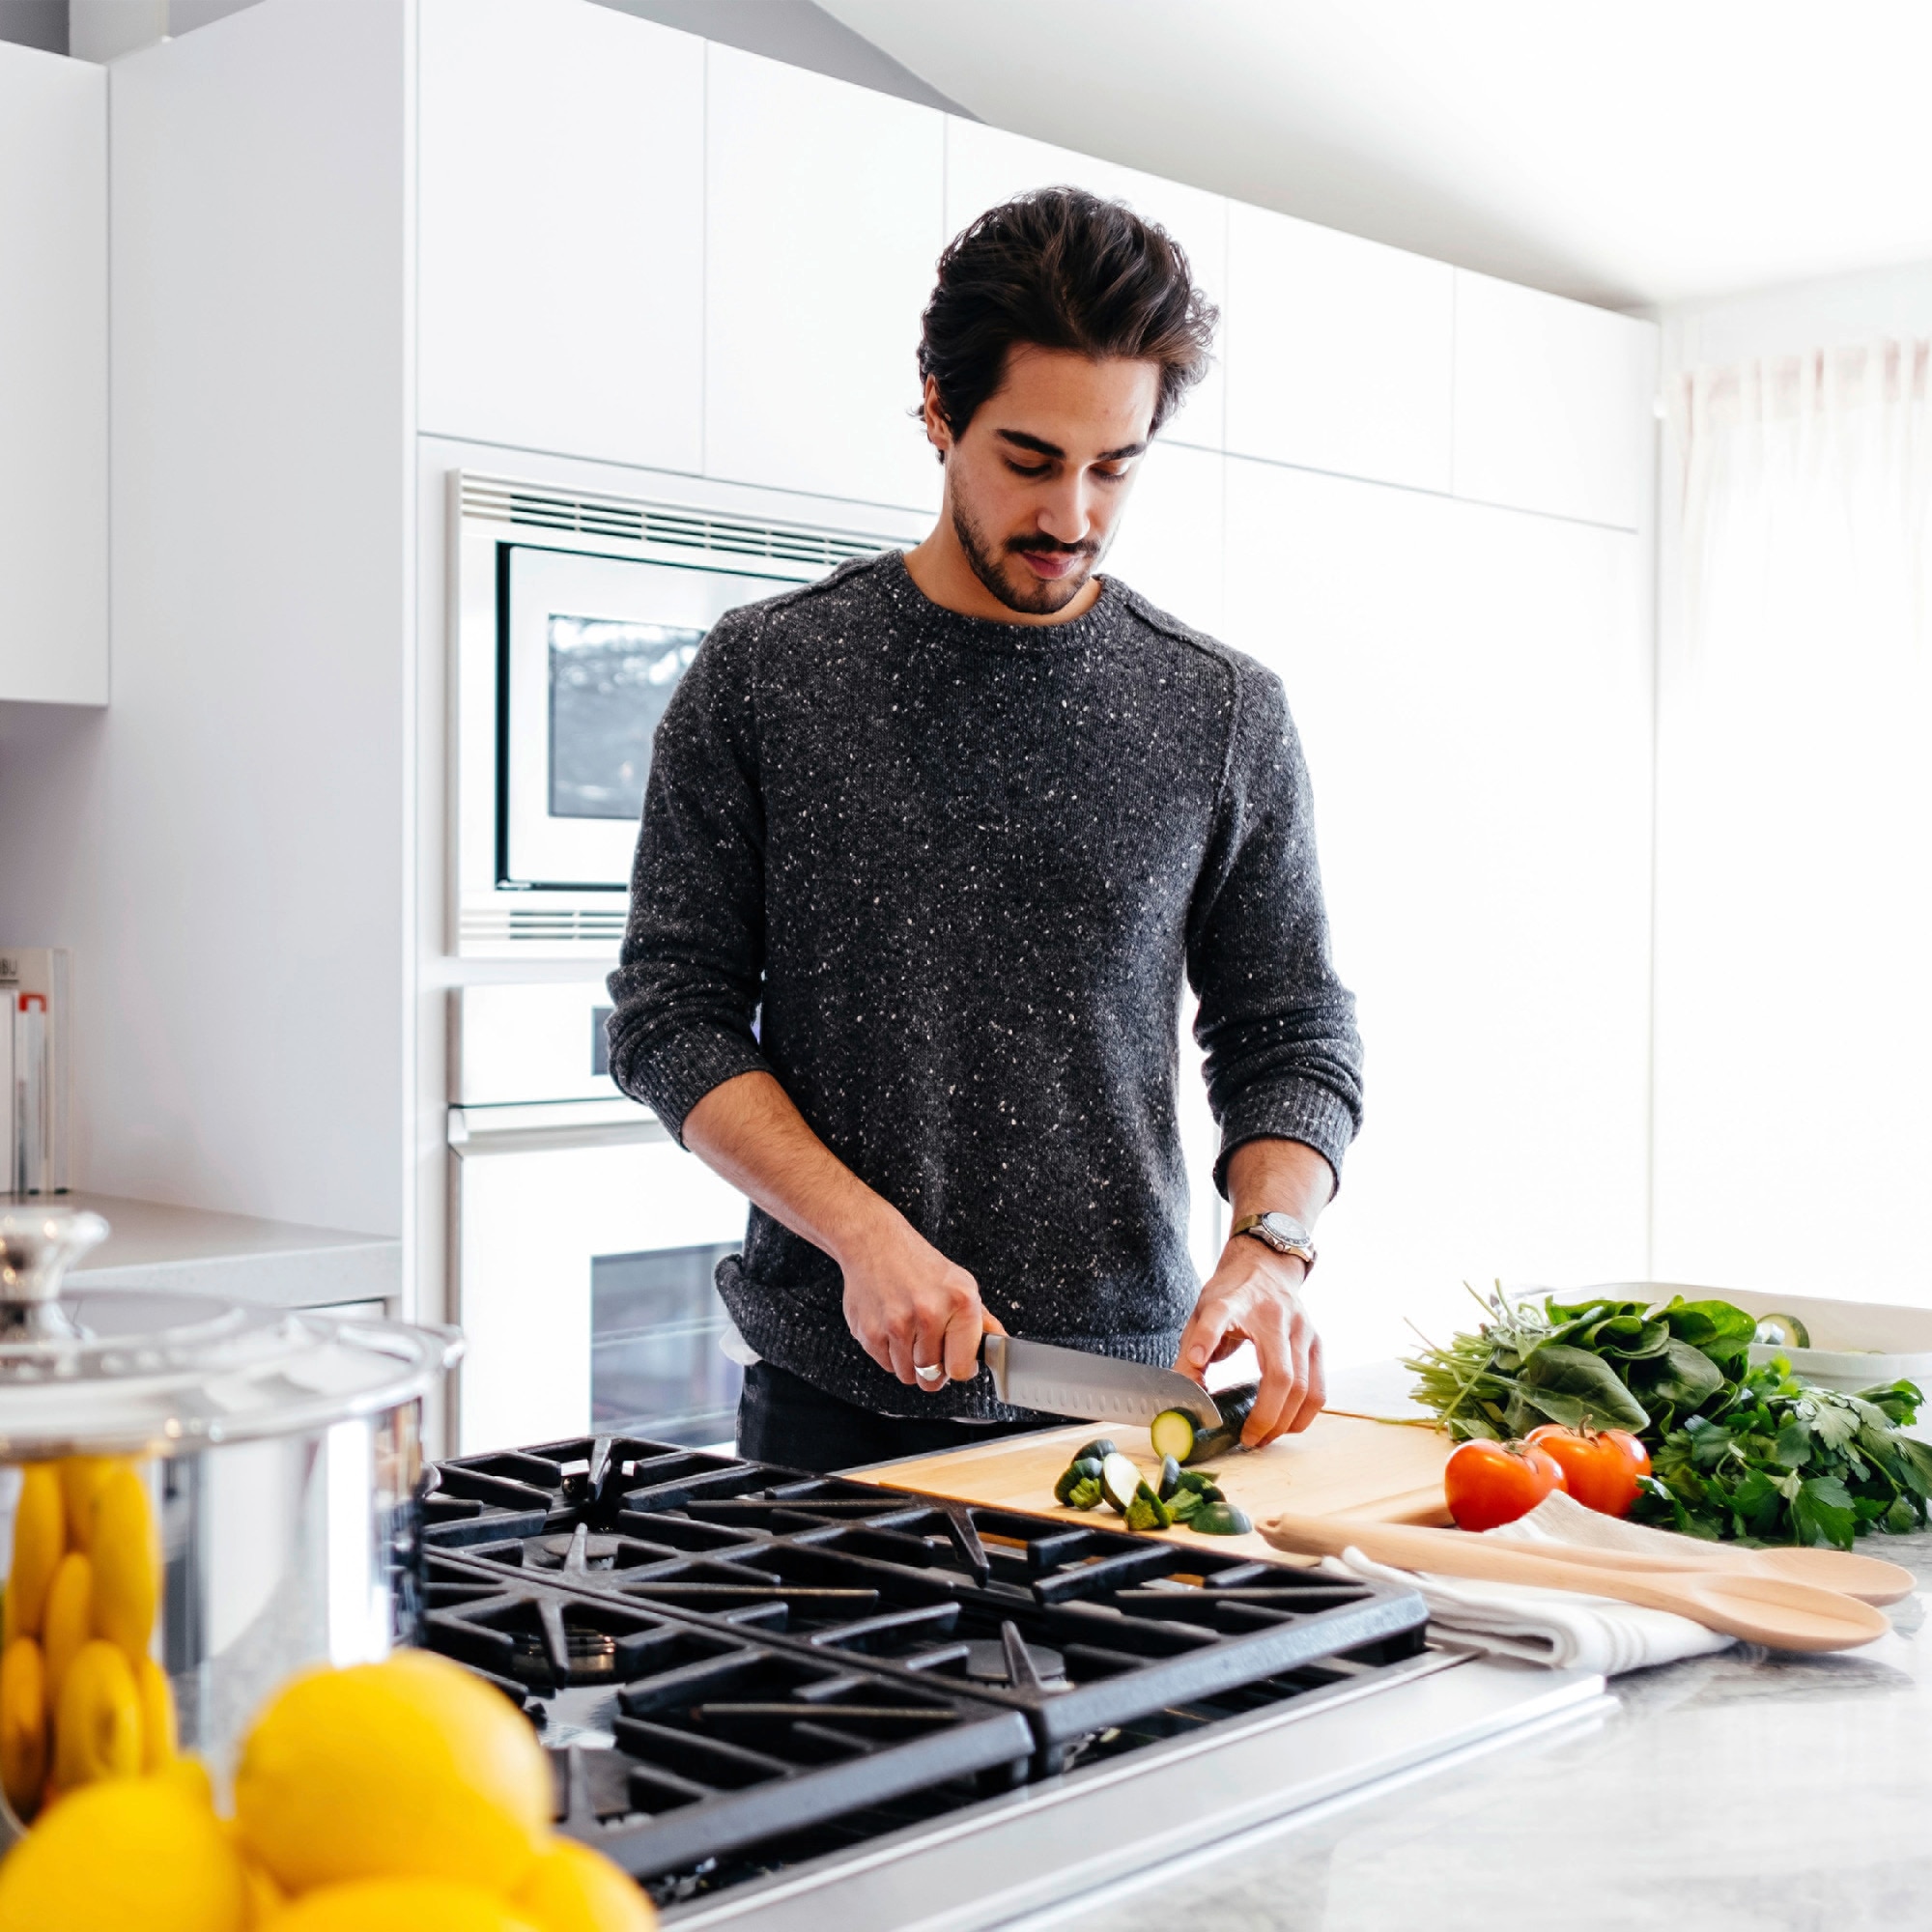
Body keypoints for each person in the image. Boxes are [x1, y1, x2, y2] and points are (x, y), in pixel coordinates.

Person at [606, 187, 1363, 1474]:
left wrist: (1272, 1243)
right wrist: (860, 1235)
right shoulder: (767, 675)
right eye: (1030, 459)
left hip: (1126, 1408)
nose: (1073, 514)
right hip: (831, 1417)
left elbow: (1291, 1032)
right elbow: (669, 1019)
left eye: (1114, 465)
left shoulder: (1222, 710)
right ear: (938, 410)